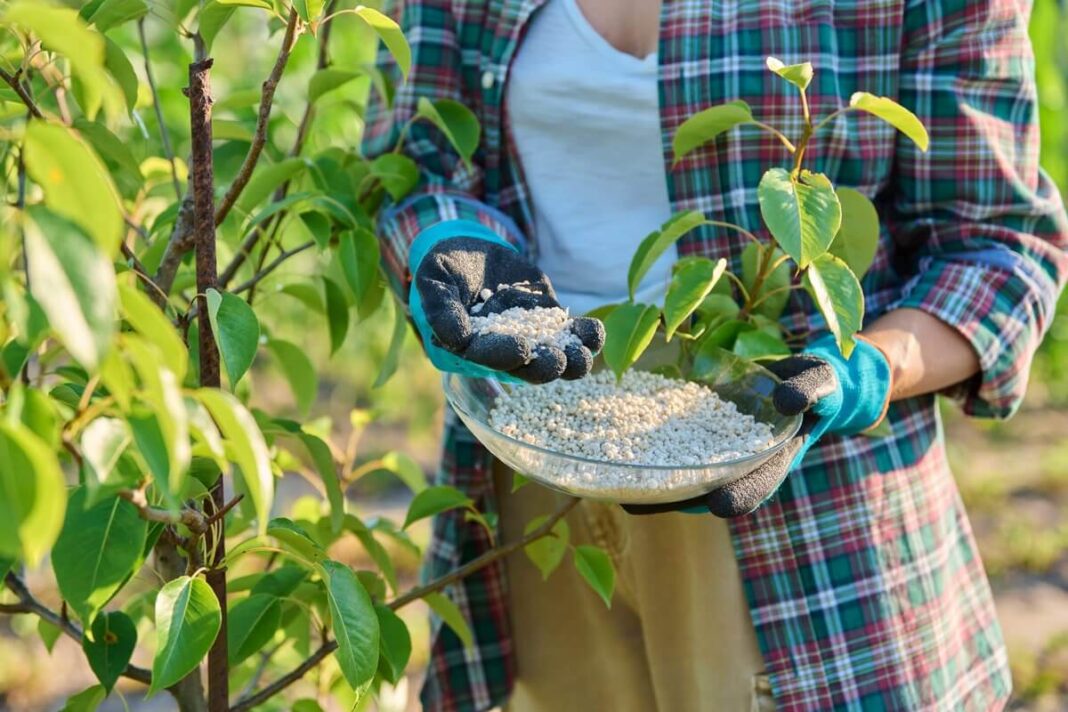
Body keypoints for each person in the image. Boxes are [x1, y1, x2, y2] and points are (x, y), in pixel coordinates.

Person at [363, 0, 1068, 709]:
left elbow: (996, 248)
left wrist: (870, 368)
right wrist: (448, 243)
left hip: (795, 491)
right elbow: (418, 166)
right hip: (530, 459)